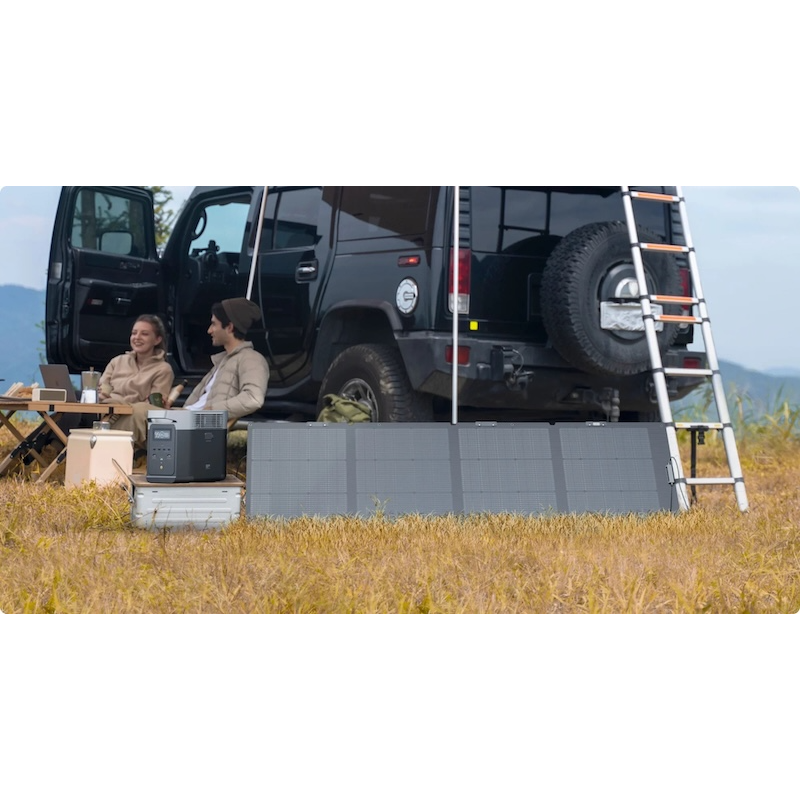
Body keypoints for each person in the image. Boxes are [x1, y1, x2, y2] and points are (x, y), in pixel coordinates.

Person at [171, 298, 269, 420]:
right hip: (186, 419)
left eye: (213, 324)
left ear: (229, 327)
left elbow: (253, 398)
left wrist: (212, 411)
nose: (209, 330)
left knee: (141, 412)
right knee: (145, 411)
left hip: (199, 423)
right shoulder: (221, 361)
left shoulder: (251, 359)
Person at [102, 315, 175, 449]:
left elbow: (154, 405)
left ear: (157, 339)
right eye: (134, 333)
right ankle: (55, 451)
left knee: (137, 414)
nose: (137, 337)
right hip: (104, 409)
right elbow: (102, 388)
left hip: (127, 414)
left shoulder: (163, 369)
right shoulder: (117, 361)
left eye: (144, 334)